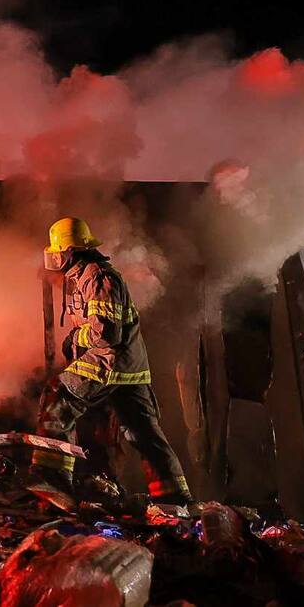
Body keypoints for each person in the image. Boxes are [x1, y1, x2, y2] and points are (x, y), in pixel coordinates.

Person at [30, 217, 191, 511]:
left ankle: (53, 486)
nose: (54, 259)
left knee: (58, 398)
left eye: (57, 252)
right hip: (128, 367)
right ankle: (173, 499)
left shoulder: (97, 277)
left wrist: (76, 338)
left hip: (108, 361)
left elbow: (106, 333)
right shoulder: (84, 276)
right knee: (143, 432)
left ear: (69, 251)